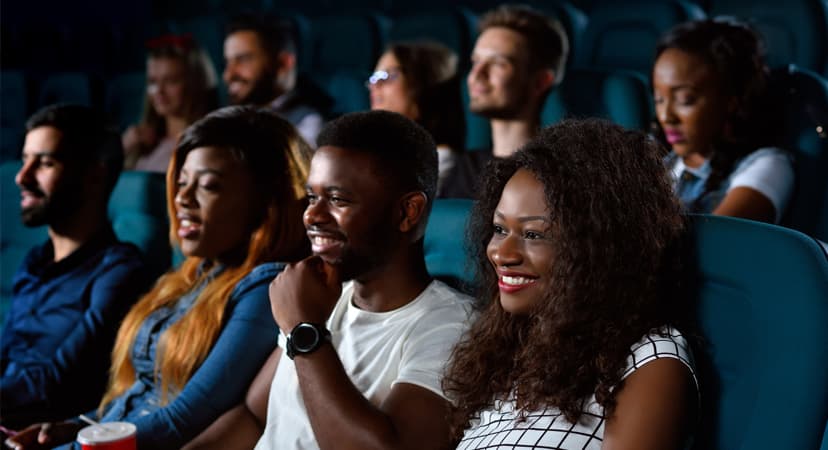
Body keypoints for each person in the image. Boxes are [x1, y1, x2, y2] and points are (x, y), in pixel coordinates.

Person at [5, 106, 312, 450]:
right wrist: (73, 428)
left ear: (266, 201)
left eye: (208, 185)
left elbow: (185, 419)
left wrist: (75, 447)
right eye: (182, 182)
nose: (182, 199)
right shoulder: (192, 276)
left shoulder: (264, 289)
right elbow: (138, 396)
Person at [182, 110, 475, 450]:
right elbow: (253, 415)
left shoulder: (453, 327)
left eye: (337, 199)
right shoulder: (322, 295)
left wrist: (305, 330)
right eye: (311, 197)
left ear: (406, 212)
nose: (313, 215)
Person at [443, 118, 699, 449]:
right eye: (499, 229)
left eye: (533, 234)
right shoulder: (503, 355)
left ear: (598, 249)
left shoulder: (649, 357)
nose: (501, 253)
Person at [0, 104, 150, 432]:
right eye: (25, 160)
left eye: (45, 163)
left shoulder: (120, 271)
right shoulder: (35, 260)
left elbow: (57, 382)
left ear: (93, 175)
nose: (21, 177)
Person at [652, 18, 794, 223]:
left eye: (685, 100)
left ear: (730, 100)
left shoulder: (770, 165)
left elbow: (713, 245)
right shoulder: (661, 161)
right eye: (659, 99)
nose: (665, 117)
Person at [441, 4, 569, 198]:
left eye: (498, 64)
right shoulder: (466, 167)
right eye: (476, 62)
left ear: (540, 82)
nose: (476, 75)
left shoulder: (556, 175)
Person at [367, 41, 466, 196]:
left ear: (423, 85)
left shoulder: (440, 161)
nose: (375, 86)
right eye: (373, 78)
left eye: (387, 75)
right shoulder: (375, 156)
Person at [223, 14, 326, 147]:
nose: (228, 75)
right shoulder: (235, 118)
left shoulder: (311, 126)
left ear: (284, 63)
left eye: (243, 60)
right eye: (227, 62)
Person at [122, 33, 219, 172]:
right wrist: (123, 148)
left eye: (171, 81)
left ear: (192, 83)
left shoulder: (204, 143)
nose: (159, 91)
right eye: (153, 82)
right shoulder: (139, 143)